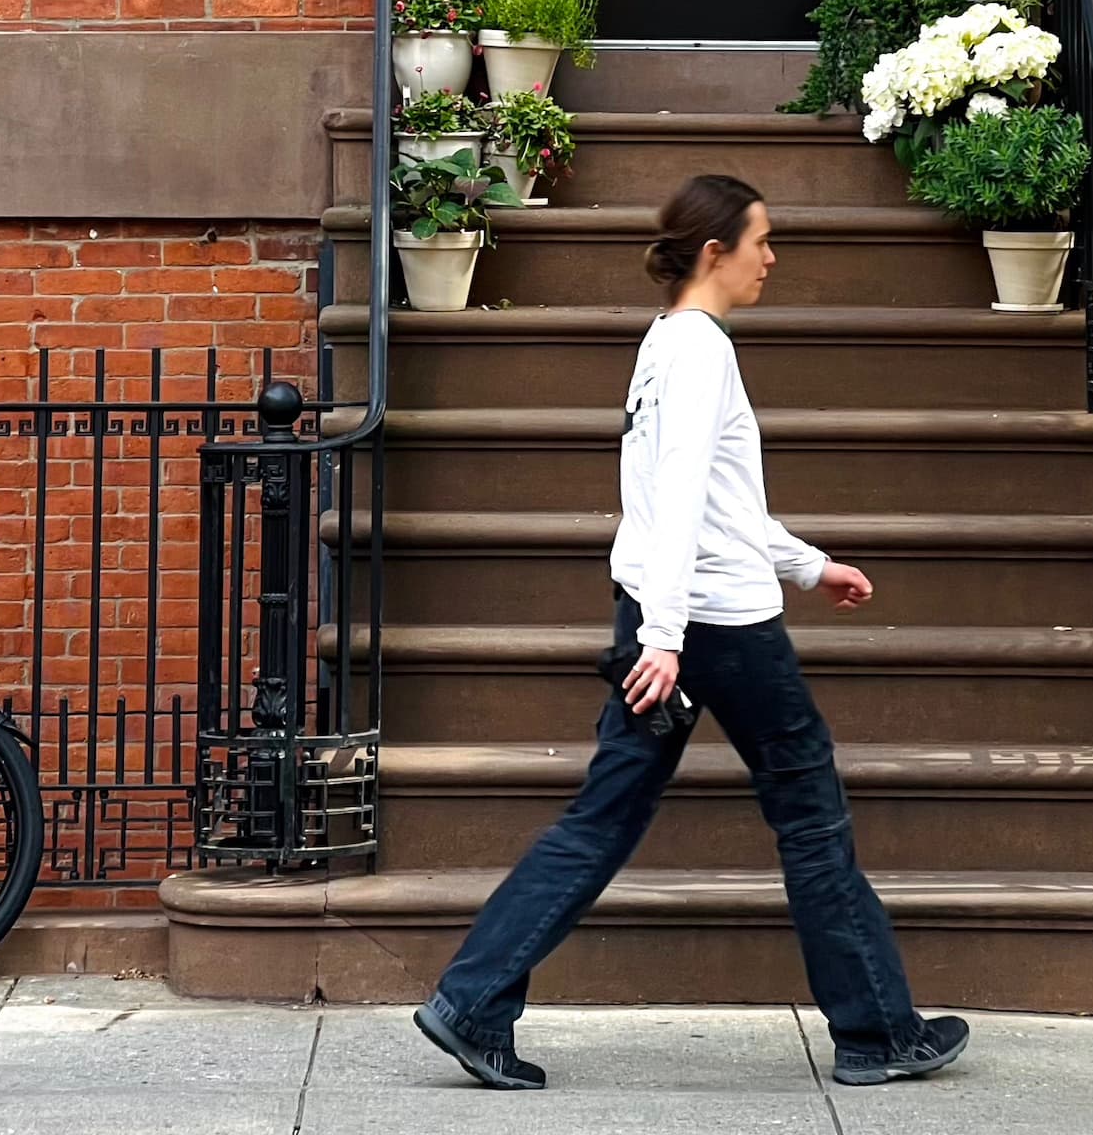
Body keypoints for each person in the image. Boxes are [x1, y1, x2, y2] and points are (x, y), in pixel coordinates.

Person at [413, 171, 970, 1092]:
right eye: (760, 240)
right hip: (714, 625)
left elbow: (713, 501)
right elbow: (675, 502)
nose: (771, 258)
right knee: (810, 815)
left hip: (668, 611)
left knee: (603, 818)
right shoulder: (702, 347)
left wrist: (801, 563)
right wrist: (668, 636)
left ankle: (470, 1003)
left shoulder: (666, 343)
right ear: (715, 252)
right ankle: (877, 1031)